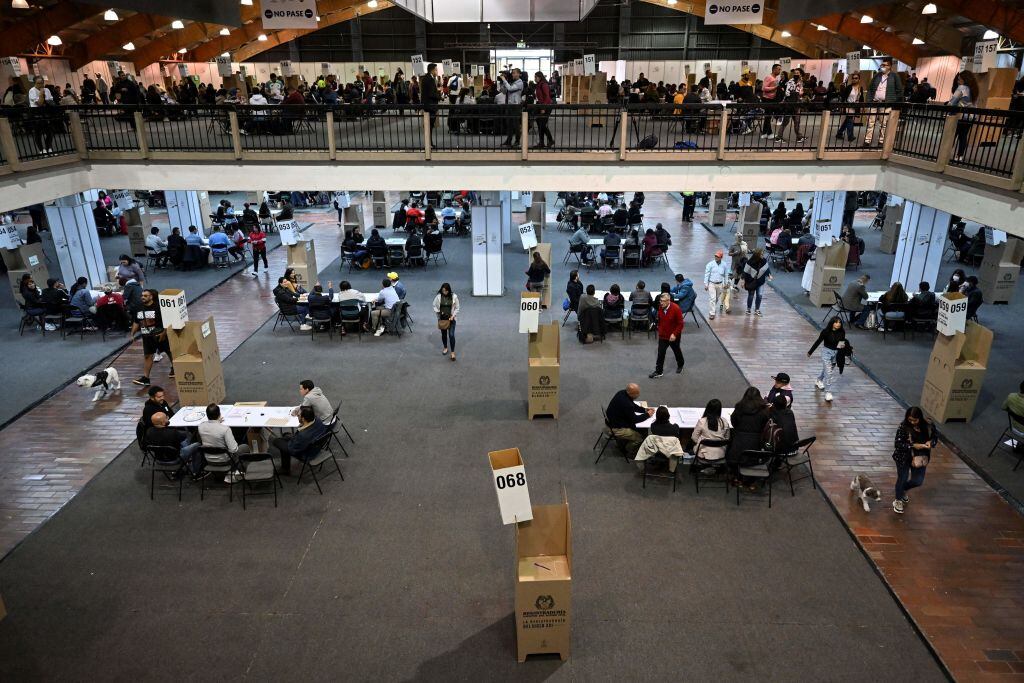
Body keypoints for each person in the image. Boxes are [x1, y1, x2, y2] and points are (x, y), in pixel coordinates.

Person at [891, 406, 936, 514]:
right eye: (910, 419)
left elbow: (934, 438)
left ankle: (902, 489)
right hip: (904, 457)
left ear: (920, 418)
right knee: (903, 477)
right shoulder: (903, 427)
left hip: (920, 457)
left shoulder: (928, 426)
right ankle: (898, 499)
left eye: (914, 420)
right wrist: (913, 446)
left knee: (918, 481)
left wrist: (931, 443)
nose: (912, 422)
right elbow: (898, 444)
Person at [129, 289, 173, 386]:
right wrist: (132, 334)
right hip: (147, 336)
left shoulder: (159, 307)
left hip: (160, 334)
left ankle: (175, 367)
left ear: (151, 297)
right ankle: (146, 378)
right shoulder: (138, 308)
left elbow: (168, 319)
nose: (142, 297)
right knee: (148, 356)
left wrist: (164, 333)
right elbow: (136, 322)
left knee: (169, 351)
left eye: (145, 296)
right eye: (142, 296)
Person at [198, 404, 251, 482]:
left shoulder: (200, 427)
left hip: (209, 460)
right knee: (245, 447)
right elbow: (234, 450)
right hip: (225, 461)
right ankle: (235, 472)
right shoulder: (225, 429)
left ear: (207, 415)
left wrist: (217, 421)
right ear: (219, 414)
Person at [270, 405, 328, 477]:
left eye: (298, 415)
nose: (297, 415)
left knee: (276, 441)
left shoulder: (303, 435)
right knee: (286, 435)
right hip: (316, 446)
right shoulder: (317, 420)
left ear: (303, 419)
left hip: (307, 454)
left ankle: (285, 469)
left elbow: (292, 449)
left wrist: (290, 441)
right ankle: (285, 468)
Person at [146, 412, 203, 477]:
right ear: (163, 423)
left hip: (159, 459)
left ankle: (189, 464)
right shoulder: (172, 432)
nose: (168, 418)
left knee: (184, 442)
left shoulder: (149, 431)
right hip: (175, 459)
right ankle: (195, 471)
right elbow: (184, 439)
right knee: (197, 445)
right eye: (166, 418)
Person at [606, 383, 656, 457]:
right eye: (637, 393)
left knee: (640, 430)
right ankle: (629, 451)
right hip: (616, 428)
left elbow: (632, 405)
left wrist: (644, 410)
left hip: (611, 421)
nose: (638, 395)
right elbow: (635, 419)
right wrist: (648, 414)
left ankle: (623, 443)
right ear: (631, 393)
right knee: (640, 438)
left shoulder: (622, 392)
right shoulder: (626, 404)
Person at [864, 58, 903, 148]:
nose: (882, 67)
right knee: (870, 122)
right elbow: (870, 89)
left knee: (883, 123)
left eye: (884, 65)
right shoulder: (877, 75)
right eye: (882, 65)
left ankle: (881, 141)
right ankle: (867, 140)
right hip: (874, 102)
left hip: (886, 104)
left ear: (889, 66)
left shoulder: (894, 76)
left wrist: (893, 101)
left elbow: (899, 91)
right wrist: (868, 100)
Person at [808, 316, 847, 402]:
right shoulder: (825, 332)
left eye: (840, 322)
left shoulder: (842, 332)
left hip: (836, 353)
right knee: (829, 373)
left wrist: (841, 354)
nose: (838, 324)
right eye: (836, 322)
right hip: (826, 353)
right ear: (832, 323)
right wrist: (810, 352)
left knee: (828, 370)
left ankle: (819, 380)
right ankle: (828, 392)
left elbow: (841, 343)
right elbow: (818, 341)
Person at [727, 387, 769, 464]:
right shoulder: (764, 409)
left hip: (739, 441)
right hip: (756, 441)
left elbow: (734, 421)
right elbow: (765, 425)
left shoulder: (739, 407)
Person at [649, 293, 684, 379]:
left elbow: (680, 324)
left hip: (673, 336)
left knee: (676, 351)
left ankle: (680, 365)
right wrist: (658, 327)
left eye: (663, 301)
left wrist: (674, 334)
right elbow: (660, 320)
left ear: (668, 301)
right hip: (663, 335)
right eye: (660, 301)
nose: (661, 303)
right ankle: (659, 371)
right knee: (661, 353)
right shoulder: (661, 307)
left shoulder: (676, 308)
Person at [947, 71, 979, 160]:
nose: (958, 81)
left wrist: (947, 107)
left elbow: (952, 102)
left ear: (964, 79)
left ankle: (945, 154)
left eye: (959, 79)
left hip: (960, 116)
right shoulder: (974, 89)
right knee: (963, 136)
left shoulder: (962, 88)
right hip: (971, 117)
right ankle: (959, 156)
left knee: (952, 135)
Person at [433, 282, 460, 362]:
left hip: (451, 319)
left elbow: (457, 308)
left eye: (445, 291)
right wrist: (438, 313)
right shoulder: (438, 297)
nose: (444, 292)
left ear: (448, 290)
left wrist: (453, 316)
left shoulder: (454, 297)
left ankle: (452, 352)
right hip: (442, 319)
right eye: (443, 290)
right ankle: (445, 347)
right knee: (444, 334)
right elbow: (434, 305)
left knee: (451, 335)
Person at [741, 248, 771, 316]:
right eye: (761, 254)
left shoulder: (764, 260)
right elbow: (745, 272)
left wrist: (769, 274)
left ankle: (757, 309)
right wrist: (743, 280)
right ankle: (748, 309)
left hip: (760, 281)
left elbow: (767, 268)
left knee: (759, 295)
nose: (763, 255)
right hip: (751, 280)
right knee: (751, 295)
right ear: (757, 255)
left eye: (763, 254)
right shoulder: (750, 262)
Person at [835, 73, 864, 142]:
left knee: (847, 120)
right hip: (848, 106)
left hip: (855, 106)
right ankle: (850, 136)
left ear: (859, 79)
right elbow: (843, 96)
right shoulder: (849, 87)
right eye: (853, 78)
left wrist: (862, 106)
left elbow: (861, 98)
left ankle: (839, 133)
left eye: (856, 78)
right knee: (850, 120)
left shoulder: (860, 88)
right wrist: (841, 88)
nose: (854, 79)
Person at [704, 249, 729, 320]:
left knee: (716, 298)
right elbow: (707, 274)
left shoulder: (724, 264)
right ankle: (712, 313)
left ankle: (713, 308)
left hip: (720, 284)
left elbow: (726, 274)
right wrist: (706, 284)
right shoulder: (710, 264)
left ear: (721, 257)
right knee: (713, 298)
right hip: (711, 283)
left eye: (718, 257)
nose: (716, 257)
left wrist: (726, 283)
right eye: (715, 256)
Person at [421, 64, 440, 132]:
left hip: (427, 105)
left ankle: (429, 142)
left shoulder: (425, 78)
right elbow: (431, 94)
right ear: (432, 70)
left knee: (429, 126)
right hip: (430, 106)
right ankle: (429, 142)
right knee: (430, 126)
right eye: (436, 70)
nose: (437, 71)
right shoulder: (430, 79)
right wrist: (439, 97)